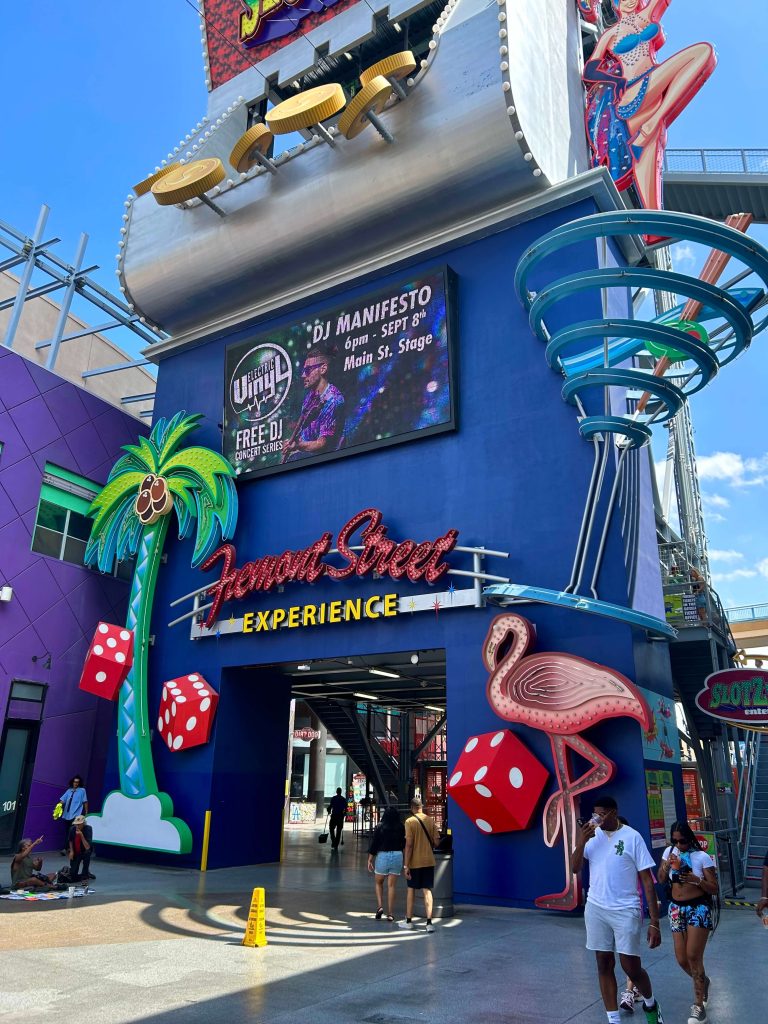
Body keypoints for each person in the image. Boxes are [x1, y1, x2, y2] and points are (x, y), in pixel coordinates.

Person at [583, 0, 715, 217]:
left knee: (652, 142)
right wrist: (615, 82)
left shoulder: (646, 15)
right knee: (700, 53)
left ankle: (655, 227)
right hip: (633, 90)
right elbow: (590, 69)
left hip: (649, 95)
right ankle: (656, 119)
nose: (627, 1)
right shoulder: (611, 33)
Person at [572, 795, 664, 1024]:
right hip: (596, 907)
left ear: (613, 813)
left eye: (601, 814)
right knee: (603, 963)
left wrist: (654, 921)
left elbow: (646, 880)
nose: (597, 818)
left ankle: (651, 1003)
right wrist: (581, 841)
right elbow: (575, 869)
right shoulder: (591, 837)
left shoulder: (632, 837)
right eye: (595, 814)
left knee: (631, 967)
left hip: (626, 909)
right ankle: (613, 1019)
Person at [657, 821, 717, 1024]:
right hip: (676, 908)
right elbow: (661, 878)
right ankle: (703, 980)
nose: (678, 845)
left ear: (689, 839)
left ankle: (699, 1006)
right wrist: (665, 867)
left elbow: (714, 888)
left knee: (693, 955)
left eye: (682, 841)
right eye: (674, 841)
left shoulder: (701, 857)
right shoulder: (669, 852)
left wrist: (696, 879)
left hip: (697, 907)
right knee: (681, 959)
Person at [281, 348, 345, 462]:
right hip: (308, 455)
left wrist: (298, 446)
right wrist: (295, 443)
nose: (303, 375)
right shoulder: (310, 397)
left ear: (323, 369)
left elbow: (322, 444)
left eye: (308, 370)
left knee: (294, 459)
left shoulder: (334, 400)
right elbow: (306, 434)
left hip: (327, 460)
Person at [399, 797, 440, 933]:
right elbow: (437, 842)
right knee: (427, 890)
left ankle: (409, 921)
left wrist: (406, 866)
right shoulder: (430, 820)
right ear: (421, 806)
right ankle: (429, 923)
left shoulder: (409, 822)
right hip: (428, 861)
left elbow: (409, 845)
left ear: (412, 808)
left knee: (411, 890)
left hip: (414, 862)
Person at [367, 806, 406, 922]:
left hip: (383, 855)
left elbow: (375, 843)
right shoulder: (401, 827)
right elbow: (403, 844)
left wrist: (370, 859)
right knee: (391, 886)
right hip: (397, 855)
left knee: (379, 883)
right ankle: (390, 914)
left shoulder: (380, 826)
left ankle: (380, 907)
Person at [58, 775, 88, 855]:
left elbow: (85, 801)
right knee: (68, 832)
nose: (76, 783)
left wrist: (86, 812)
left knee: (70, 831)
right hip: (66, 815)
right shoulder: (69, 791)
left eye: (78, 782)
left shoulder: (82, 790)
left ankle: (65, 848)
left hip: (76, 815)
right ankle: (69, 848)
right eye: (75, 782)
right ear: (72, 782)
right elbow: (62, 800)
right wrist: (58, 806)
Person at [68, 815, 95, 882]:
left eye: (79, 825)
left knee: (87, 852)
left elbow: (87, 847)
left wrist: (81, 835)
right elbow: (70, 840)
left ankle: (85, 873)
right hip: (76, 851)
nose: (77, 826)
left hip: (85, 851)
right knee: (73, 875)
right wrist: (71, 851)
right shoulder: (72, 829)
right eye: (76, 825)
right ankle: (83, 874)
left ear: (83, 824)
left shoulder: (88, 829)